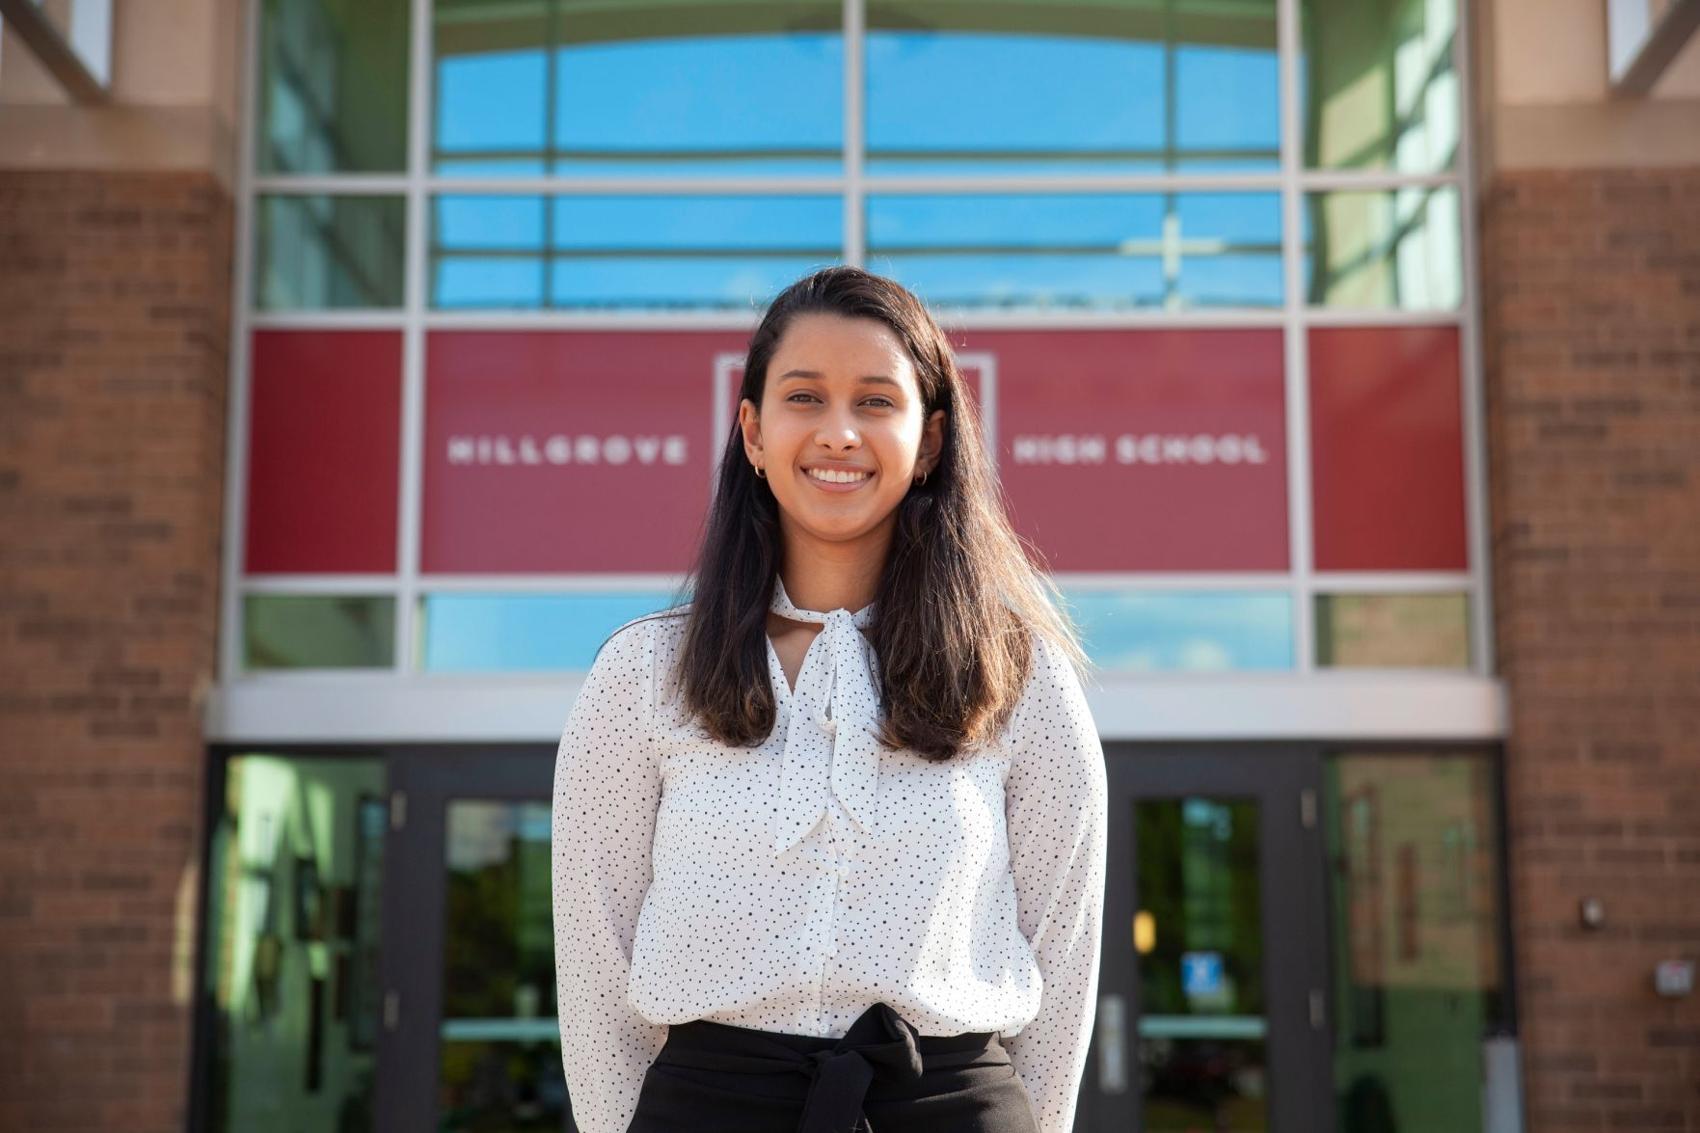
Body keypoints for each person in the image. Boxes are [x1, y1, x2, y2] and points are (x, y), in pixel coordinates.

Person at [551, 265, 1108, 1133]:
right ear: (753, 431)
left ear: (928, 440)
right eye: (804, 397)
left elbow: (1065, 963)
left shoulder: (1021, 676)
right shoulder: (640, 675)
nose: (839, 432)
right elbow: (593, 967)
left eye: (877, 401)